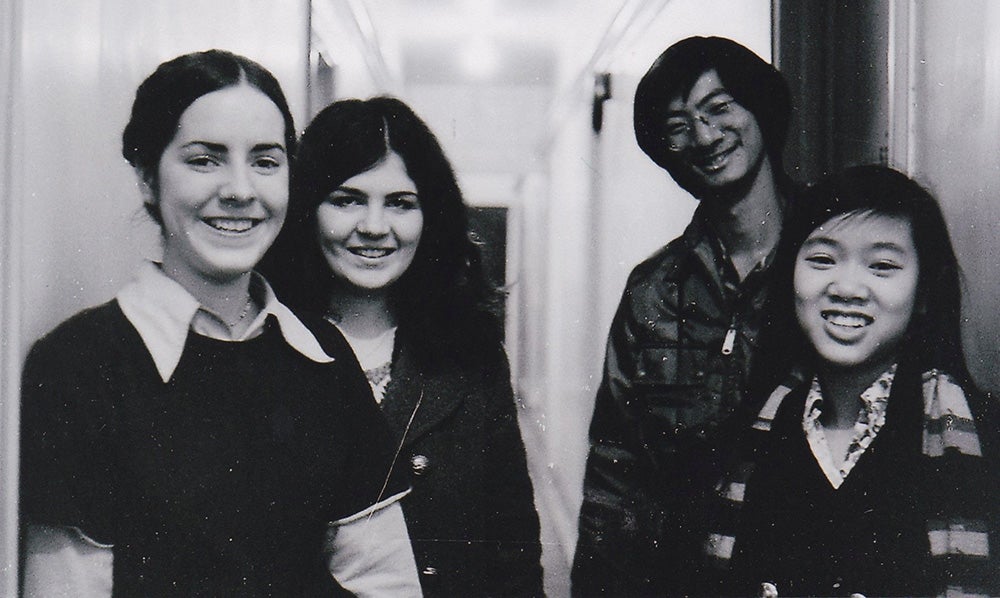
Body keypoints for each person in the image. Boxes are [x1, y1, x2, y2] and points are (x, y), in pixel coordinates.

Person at [19, 50, 421, 597]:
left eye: (265, 160)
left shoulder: (323, 354)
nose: (240, 190)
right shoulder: (78, 367)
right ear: (145, 177)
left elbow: (383, 580)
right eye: (204, 160)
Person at [261, 96, 544, 597]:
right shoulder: (262, 344)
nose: (374, 227)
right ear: (306, 210)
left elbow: (512, 544)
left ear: (429, 216)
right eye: (347, 199)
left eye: (400, 202)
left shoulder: (471, 352)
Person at [706, 165, 999, 596]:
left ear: (923, 295)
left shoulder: (986, 441)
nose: (846, 287)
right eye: (822, 260)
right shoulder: (741, 441)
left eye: (881, 266)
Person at [572, 36, 795, 596]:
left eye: (719, 109)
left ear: (759, 111)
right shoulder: (653, 291)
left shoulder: (830, 261)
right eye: (677, 126)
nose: (704, 136)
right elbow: (614, 471)